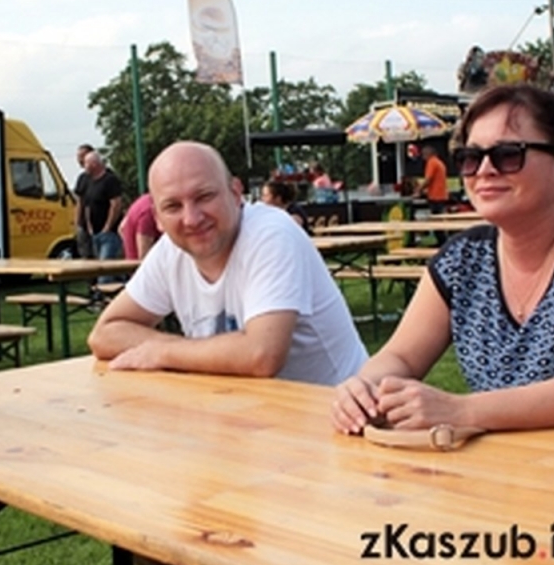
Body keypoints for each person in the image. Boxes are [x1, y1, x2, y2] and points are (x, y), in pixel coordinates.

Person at [331, 83, 554, 439]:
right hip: (522, 466)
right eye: (470, 157)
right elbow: (401, 356)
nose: (485, 169)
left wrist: (460, 410)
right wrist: (364, 388)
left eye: (508, 154)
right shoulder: (461, 261)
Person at [88, 141, 367, 384]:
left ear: (235, 193)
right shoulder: (171, 251)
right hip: (246, 411)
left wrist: (161, 352)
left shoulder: (271, 233)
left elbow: (262, 355)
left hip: (336, 412)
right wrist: (175, 350)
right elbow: (104, 334)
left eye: (204, 197)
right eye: (173, 206)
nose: (191, 219)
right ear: (157, 218)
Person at [80, 150, 123, 266]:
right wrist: (89, 226)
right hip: (94, 233)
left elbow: (116, 204)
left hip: (109, 234)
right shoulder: (88, 182)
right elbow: (87, 205)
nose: (84, 166)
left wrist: (107, 227)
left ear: (94, 164)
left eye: (86, 163)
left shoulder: (110, 180)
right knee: (98, 267)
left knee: (106, 268)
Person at [413, 144, 450, 245]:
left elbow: (428, 179)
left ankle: (442, 243)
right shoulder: (439, 162)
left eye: (424, 154)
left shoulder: (432, 162)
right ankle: (442, 242)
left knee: (436, 222)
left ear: (429, 154)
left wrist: (418, 190)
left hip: (435, 196)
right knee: (439, 221)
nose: (423, 157)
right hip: (441, 195)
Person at [119, 192, 160, 260]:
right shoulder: (149, 212)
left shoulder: (144, 201)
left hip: (131, 260)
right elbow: (144, 255)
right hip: (140, 264)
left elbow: (122, 227)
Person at [72, 144, 94, 259]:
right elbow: (79, 202)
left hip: (100, 228)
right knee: (85, 256)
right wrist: (77, 224)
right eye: (78, 157)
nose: (79, 160)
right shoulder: (82, 178)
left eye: (82, 156)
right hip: (84, 226)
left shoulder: (107, 177)